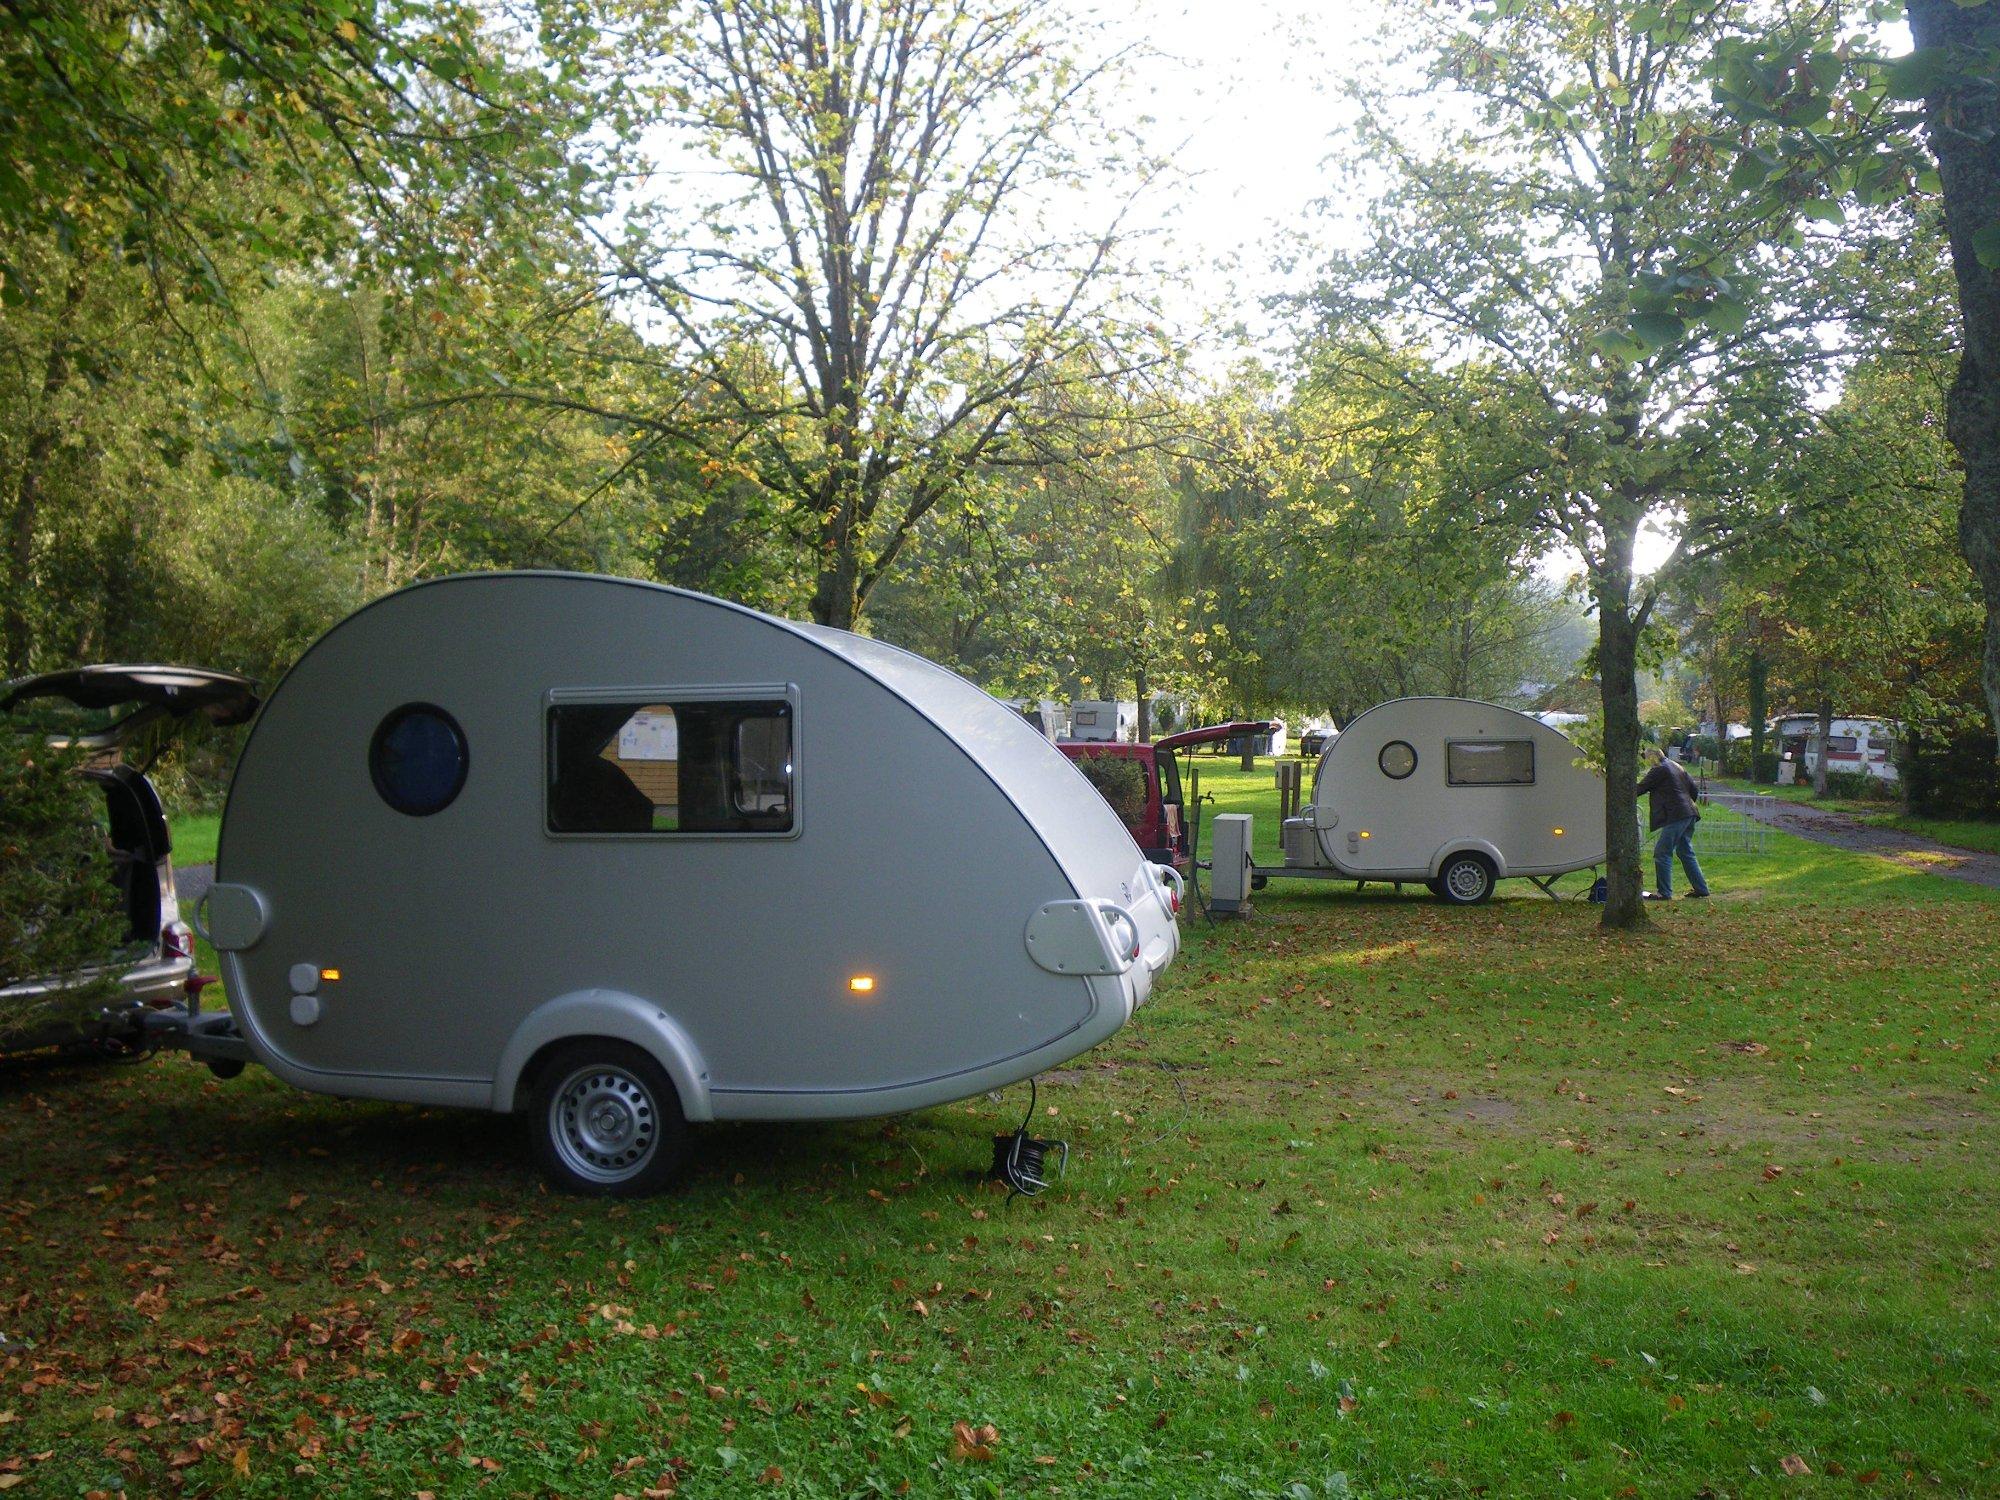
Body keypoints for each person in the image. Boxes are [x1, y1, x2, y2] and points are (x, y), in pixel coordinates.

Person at [1637, 747, 1709, 900]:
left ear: (1653, 757)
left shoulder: (1658, 769)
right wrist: (1686, 806)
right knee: (1685, 851)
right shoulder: (1677, 766)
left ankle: (1664, 893)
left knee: (1662, 852)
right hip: (1690, 812)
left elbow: (1640, 788)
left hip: (1677, 815)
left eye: (1647, 757)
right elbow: (1694, 790)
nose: (1646, 761)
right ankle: (1701, 889)